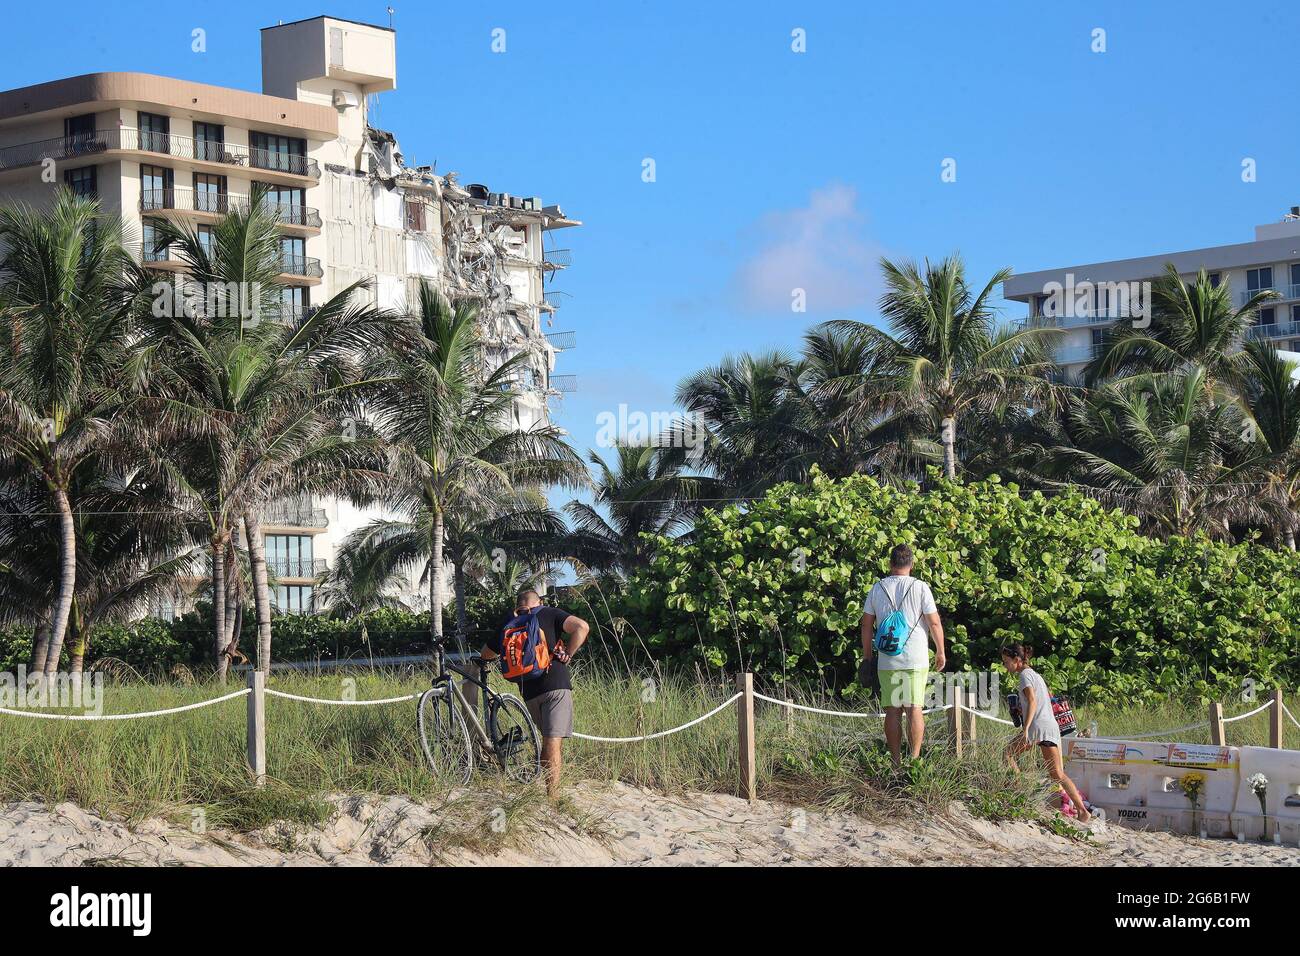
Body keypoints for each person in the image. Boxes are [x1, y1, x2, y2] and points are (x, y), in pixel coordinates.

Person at [480, 588, 589, 798]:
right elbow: (582, 627)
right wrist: (568, 653)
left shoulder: (508, 623)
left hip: (529, 691)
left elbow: (486, 653)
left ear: (518, 605)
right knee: (553, 741)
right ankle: (553, 797)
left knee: (547, 739)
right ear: (538, 602)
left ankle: (540, 786)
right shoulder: (549, 613)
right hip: (555, 684)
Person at [860, 544, 946, 769]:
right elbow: (934, 622)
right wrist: (940, 650)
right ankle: (915, 760)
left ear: (890, 564)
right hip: (915, 658)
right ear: (912, 564)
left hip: (888, 659)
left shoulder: (877, 588)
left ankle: (895, 760)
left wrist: (867, 657)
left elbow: (867, 625)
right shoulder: (920, 587)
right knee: (914, 707)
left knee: (892, 710)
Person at [1000, 643, 1092, 823]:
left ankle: (1020, 795)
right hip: (1050, 726)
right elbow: (1043, 700)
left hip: (1038, 727)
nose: (1005, 666)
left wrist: (1026, 727)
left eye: (1006, 662)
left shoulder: (1024, 676)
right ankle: (1083, 811)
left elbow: (1033, 701)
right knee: (1057, 773)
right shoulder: (1035, 675)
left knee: (1008, 753)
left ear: (1017, 660)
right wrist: (1021, 709)